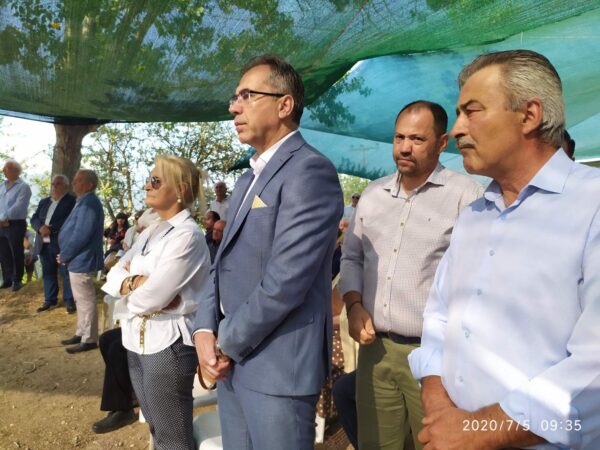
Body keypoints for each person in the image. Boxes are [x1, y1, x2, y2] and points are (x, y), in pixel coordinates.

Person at [409, 50, 600, 450]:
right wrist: (439, 405)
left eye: (472, 111)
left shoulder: (592, 205)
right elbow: (439, 317)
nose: (456, 129)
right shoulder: (473, 216)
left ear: (529, 115)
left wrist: (476, 430)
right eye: (457, 114)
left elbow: (594, 368)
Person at [194, 54, 343, 450]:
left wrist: (224, 342)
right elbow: (220, 264)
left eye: (247, 95)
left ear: (284, 104)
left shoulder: (310, 171)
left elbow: (285, 282)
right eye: (234, 97)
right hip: (232, 363)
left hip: (278, 370)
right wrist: (204, 329)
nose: (234, 107)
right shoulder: (247, 179)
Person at [340, 100, 483, 450]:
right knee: (377, 442)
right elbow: (351, 257)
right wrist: (354, 305)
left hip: (437, 356)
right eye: (399, 137)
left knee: (433, 441)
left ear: (442, 142)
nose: (404, 147)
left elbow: (479, 277)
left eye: (417, 139)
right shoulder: (373, 195)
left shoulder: (466, 197)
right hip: (375, 350)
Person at [102, 155, 211, 450]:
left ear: (180, 189)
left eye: (156, 180)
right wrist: (135, 282)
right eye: (149, 179)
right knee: (156, 427)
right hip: (136, 338)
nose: (147, 185)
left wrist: (132, 287)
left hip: (168, 344)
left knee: (172, 438)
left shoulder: (188, 235)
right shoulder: (152, 231)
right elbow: (112, 275)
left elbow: (154, 296)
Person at [58, 169, 104, 353]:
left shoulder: (89, 203)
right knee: (80, 299)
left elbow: (81, 234)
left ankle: (90, 338)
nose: (73, 183)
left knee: (85, 299)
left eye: (78, 181)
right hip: (77, 258)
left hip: (82, 258)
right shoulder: (84, 201)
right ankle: (81, 332)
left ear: (89, 185)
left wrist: (65, 255)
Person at [30, 174, 76, 313]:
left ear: (66, 186)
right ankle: (50, 300)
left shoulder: (72, 201)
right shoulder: (44, 202)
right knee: (48, 271)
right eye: (53, 184)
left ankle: (69, 301)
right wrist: (40, 228)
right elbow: (34, 218)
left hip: (61, 241)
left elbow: (71, 220)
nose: (54, 187)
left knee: (66, 272)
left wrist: (51, 228)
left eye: (58, 184)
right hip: (43, 241)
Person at [91, 327, 138, 434]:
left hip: (158, 327)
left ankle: (123, 410)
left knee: (117, 348)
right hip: (140, 324)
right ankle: (130, 395)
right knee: (105, 339)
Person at [0, 159, 32, 291]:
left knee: (16, 251)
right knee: (3, 252)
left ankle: (17, 279)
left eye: (6, 168)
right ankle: (7, 279)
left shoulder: (23, 187)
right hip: (1, 224)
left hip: (15, 224)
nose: (3, 170)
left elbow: (19, 206)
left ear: (16, 171)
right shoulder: (1, 185)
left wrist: (2, 218)